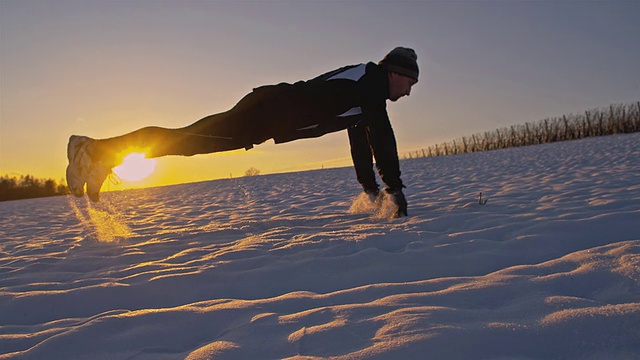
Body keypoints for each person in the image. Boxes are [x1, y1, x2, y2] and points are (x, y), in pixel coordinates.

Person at [66, 47, 418, 216]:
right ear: (395, 72)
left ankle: (100, 158)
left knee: (186, 140)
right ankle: (92, 148)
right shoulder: (371, 83)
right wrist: (394, 188)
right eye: (410, 82)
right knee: (184, 139)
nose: (409, 91)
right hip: (263, 113)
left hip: (265, 115)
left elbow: (363, 138)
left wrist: (372, 189)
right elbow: (382, 136)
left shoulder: (366, 93)